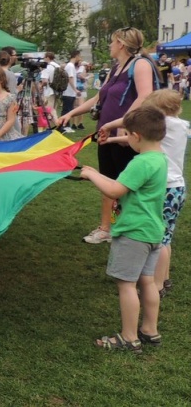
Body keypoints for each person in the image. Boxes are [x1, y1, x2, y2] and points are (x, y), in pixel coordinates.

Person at [57, 27, 156, 244]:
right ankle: (106, 228)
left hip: (128, 137)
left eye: (112, 42)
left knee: (126, 185)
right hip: (106, 134)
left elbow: (145, 96)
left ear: (120, 43)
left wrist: (123, 122)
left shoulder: (140, 64)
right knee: (107, 182)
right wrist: (70, 113)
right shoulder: (115, 69)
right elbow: (98, 100)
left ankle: (127, 229)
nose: (109, 46)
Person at [79, 106, 166, 352]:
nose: (126, 139)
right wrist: (96, 173)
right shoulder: (159, 159)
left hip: (133, 233)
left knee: (126, 284)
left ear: (136, 136)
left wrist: (93, 178)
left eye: (127, 135)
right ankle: (150, 330)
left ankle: (128, 337)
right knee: (147, 282)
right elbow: (122, 185)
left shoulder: (140, 163)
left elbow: (115, 191)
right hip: (152, 232)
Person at [139, 90, 187, 299]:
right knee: (168, 235)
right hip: (177, 188)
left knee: (161, 239)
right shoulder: (182, 125)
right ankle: (164, 278)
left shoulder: (163, 125)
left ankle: (157, 285)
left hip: (164, 187)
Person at [61, 50, 82, 131]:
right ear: (76, 56)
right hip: (68, 92)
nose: (80, 58)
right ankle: (64, 126)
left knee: (68, 109)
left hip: (70, 92)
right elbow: (70, 78)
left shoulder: (71, 66)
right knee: (67, 110)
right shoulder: (70, 66)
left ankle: (66, 126)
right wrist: (75, 90)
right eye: (79, 56)